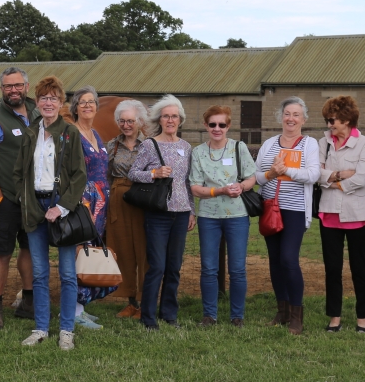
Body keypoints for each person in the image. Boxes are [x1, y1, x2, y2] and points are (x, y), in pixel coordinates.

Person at [15, 76, 88, 351]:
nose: (48, 102)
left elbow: (80, 176)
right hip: (34, 207)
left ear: (61, 103)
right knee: (39, 274)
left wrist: (61, 207)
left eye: (53, 98)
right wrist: (25, 199)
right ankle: (40, 328)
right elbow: (18, 172)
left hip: (63, 209)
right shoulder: (30, 132)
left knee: (68, 274)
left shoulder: (70, 133)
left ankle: (66, 329)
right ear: (37, 102)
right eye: (43, 98)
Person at [128, 95, 196, 331]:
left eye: (174, 116)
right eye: (166, 116)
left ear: (180, 120)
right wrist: (154, 173)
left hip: (181, 212)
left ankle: (169, 314)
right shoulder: (149, 144)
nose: (170, 120)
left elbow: (188, 182)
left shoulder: (186, 147)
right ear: (159, 119)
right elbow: (133, 173)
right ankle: (148, 317)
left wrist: (192, 211)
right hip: (158, 213)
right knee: (156, 266)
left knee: (174, 266)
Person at [254, 97, 320, 335]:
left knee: (289, 259)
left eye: (296, 115)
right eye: (287, 114)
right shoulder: (269, 144)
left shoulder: (309, 144)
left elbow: (313, 174)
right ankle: (281, 310)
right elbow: (257, 176)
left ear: (303, 119)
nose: (291, 119)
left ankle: (296, 314)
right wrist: (272, 173)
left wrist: (287, 171)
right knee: (274, 260)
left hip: (295, 210)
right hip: (270, 208)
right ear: (281, 117)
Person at [317, 96, 365, 334]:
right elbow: (317, 174)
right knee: (332, 268)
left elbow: (362, 177)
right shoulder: (322, 143)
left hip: (359, 214)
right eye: (327, 120)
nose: (329, 124)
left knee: (359, 268)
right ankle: (334, 318)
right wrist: (340, 175)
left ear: (345, 119)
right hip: (330, 212)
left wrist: (330, 177)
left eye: (331, 119)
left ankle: (362, 318)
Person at [188, 106, 256, 327]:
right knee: (209, 268)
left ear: (228, 126)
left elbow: (251, 178)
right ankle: (210, 315)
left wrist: (241, 187)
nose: (217, 129)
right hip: (209, 216)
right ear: (206, 126)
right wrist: (219, 191)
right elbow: (195, 188)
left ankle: (237, 316)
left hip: (237, 215)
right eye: (212, 124)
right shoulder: (198, 152)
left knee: (237, 268)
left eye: (222, 125)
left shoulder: (239, 147)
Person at [0, 67, 36, 328]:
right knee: (2, 253)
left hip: (34, 200)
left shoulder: (38, 112)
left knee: (30, 250)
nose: (13, 90)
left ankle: (28, 301)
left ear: (26, 86)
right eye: (7, 86)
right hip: (8, 200)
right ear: (1, 89)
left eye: (18, 85)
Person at [70, 86, 117, 329]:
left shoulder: (96, 134)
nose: (88, 106)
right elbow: (69, 172)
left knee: (91, 250)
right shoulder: (72, 133)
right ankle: (74, 311)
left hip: (101, 200)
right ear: (75, 107)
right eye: (83, 102)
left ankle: (82, 307)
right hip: (84, 200)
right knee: (81, 251)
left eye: (92, 102)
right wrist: (80, 203)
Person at [106, 100, 149, 320]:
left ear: (140, 121)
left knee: (145, 251)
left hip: (143, 200)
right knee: (122, 250)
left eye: (130, 120)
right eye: (122, 121)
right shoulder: (112, 145)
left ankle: (146, 302)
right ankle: (131, 301)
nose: (126, 125)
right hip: (119, 200)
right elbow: (105, 175)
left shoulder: (150, 144)